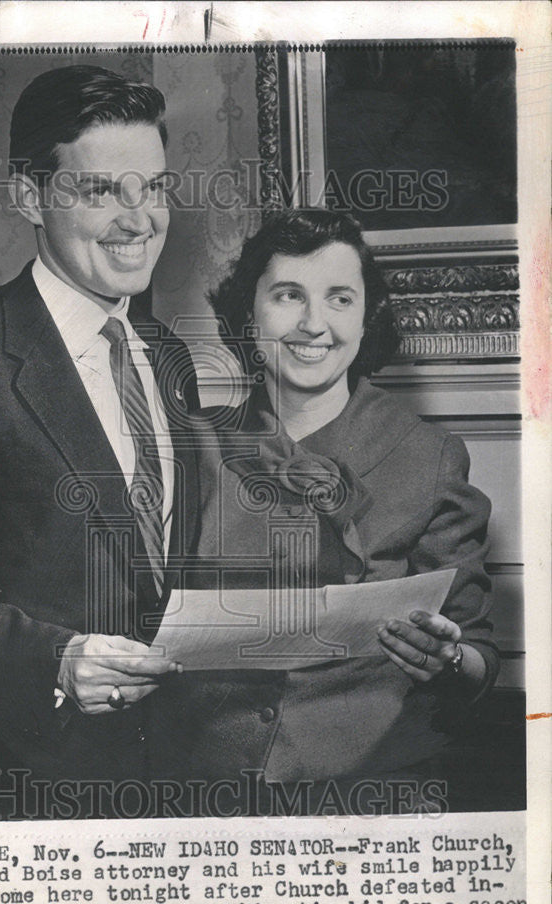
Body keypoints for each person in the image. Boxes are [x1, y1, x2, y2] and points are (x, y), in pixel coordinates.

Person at [0, 65, 201, 821]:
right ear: (29, 197)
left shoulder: (170, 356)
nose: (139, 217)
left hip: (174, 783)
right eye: (99, 191)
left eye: (152, 187)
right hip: (11, 789)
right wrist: (51, 660)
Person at [149, 209, 498, 814]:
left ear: (366, 319)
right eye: (288, 295)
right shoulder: (187, 445)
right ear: (247, 314)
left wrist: (449, 656)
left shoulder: (431, 456)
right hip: (202, 792)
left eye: (340, 298)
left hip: (376, 793)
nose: (315, 324)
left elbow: (480, 657)